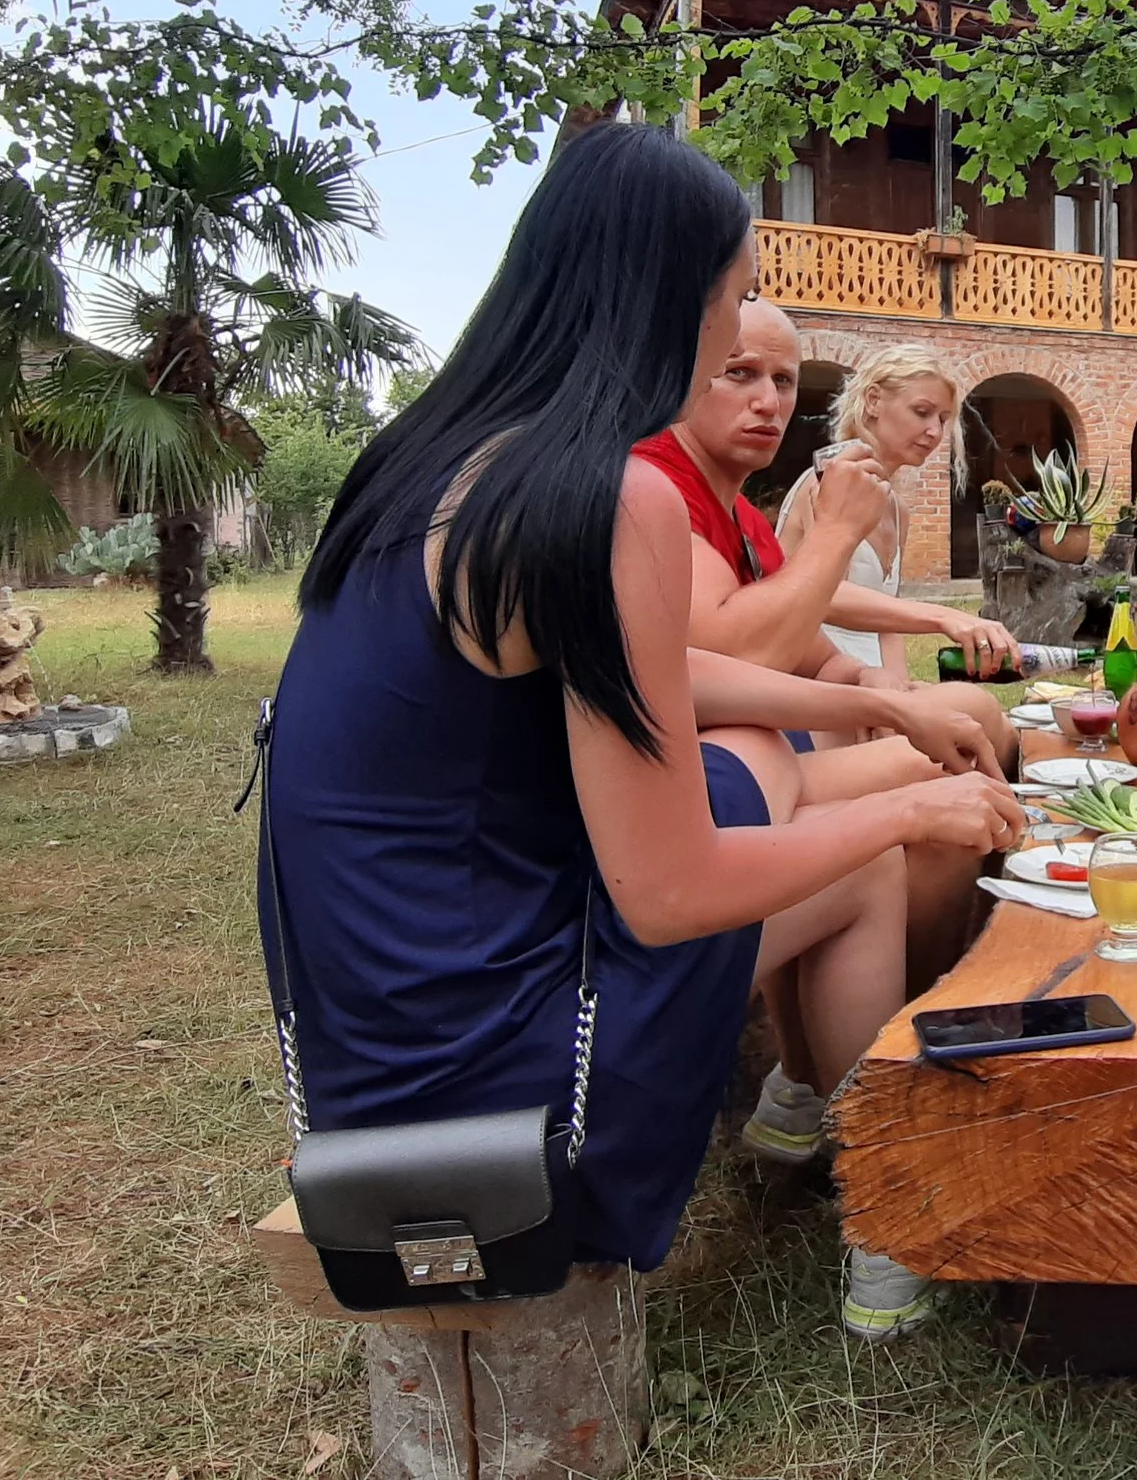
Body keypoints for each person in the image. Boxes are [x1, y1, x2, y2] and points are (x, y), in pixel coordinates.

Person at [263, 124, 1024, 1342]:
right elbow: (668, 891)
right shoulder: (606, 498)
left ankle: (827, 1143)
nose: (743, 336)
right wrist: (909, 804)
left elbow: (653, 677)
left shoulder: (432, 465)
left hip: (374, 1045)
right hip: (507, 1080)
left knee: (796, 800)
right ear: (676, 297)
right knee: (865, 857)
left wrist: (866, 703)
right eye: (738, 297)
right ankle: (889, 1212)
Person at [647, 307, 1016, 775]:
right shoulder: (652, 488)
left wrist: (873, 679)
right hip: (730, 752)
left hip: (784, 717)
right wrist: (928, 624)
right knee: (965, 728)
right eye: (738, 372)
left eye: (784, 382)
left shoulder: (742, 515)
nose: (768, 402)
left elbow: (818, 653)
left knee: (975, 723)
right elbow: (745, 654)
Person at [775, 344, 1018, 700]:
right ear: (873, 401)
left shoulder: (896, 509)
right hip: (814, 677)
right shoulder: (826, 482)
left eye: (942, 419)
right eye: (922, 412)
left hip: (873, 684)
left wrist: (903, 692)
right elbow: (822, 596)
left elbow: (887, 629)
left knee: (974, 709)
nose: (935, 432)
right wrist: (941, 617)